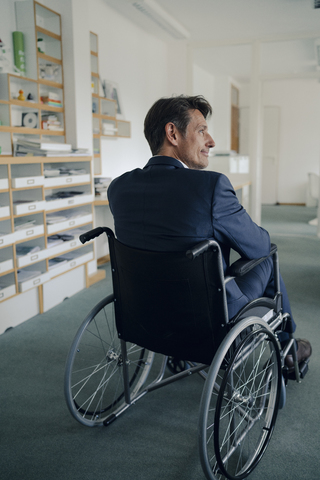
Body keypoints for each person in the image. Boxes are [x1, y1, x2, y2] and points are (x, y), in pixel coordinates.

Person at [107, 94, 311, 369]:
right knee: (269, 256)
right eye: (202, 130)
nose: (211, 141)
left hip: (143, 311)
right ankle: (289, 346)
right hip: (205, 315)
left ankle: (178, 350)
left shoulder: (119, 188)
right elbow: (259, 247)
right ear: (172, 133)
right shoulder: (211, 187)